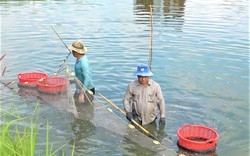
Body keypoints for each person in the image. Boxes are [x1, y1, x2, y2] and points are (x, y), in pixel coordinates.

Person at [123, 64, 166, 129]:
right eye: (140, 77)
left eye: (146, 77)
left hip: (151, 118)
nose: (143, 79)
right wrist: (128, 111)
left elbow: (161, 101)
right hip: (136, 118)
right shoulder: (131, 85)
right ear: (137, 76)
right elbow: (126, 99)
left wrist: (162, 116)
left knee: (151, 135)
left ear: (149, 76)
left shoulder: (156, 86)